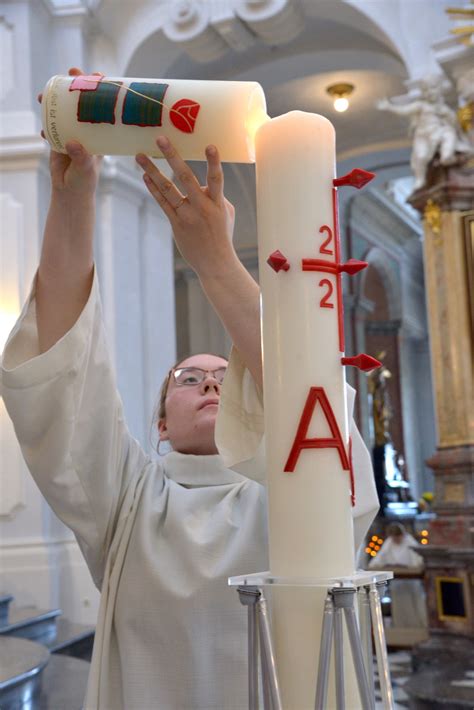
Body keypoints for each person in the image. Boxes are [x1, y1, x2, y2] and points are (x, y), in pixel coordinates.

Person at [1, 68, 379, 709]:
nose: (209, 383)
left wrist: (215, 260)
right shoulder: (126, 499)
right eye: (187, 379)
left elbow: (307, 400)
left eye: (224, 379)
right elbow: (64, 384)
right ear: (160, 423)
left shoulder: (291, 491)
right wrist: (72, 199)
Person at [368, 523, 427, 630]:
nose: (396, 540)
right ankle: (401, 627)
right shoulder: (389, 543)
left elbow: (418, 560)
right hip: (398, 580)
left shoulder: (409, 541)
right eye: (394, 537)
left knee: (414, 604)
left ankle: (418, 628)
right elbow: (377, 560)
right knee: (400, 606)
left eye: (398, 537)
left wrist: (411, 566)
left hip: (411, 580)